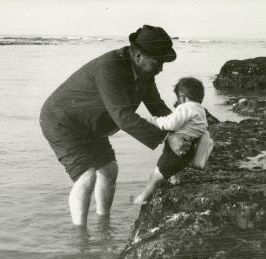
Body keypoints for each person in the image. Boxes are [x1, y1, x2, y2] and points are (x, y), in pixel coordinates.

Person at [39, 25, 191, 226]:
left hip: (92, 124)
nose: (161, 68)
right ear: (138, 56)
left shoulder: (145, 72)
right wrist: (167, 138)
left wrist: (179, 128)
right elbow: (123, 117)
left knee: (109, 170)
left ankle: (104, 225)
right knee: (86, 177)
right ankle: (81, 237)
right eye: (158, 62)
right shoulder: (109, 67)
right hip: (61, 121)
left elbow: (156, 105)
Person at [133, 77, 213, 204]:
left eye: (178, 98)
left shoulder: (185, 107)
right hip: (190, 149)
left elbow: (171, 124)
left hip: (178, 150)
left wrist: (152, 120)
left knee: (156, 175)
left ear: (182, 97)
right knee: (173, 168)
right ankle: (174, 179)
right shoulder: (200, 109)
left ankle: (142, 198)